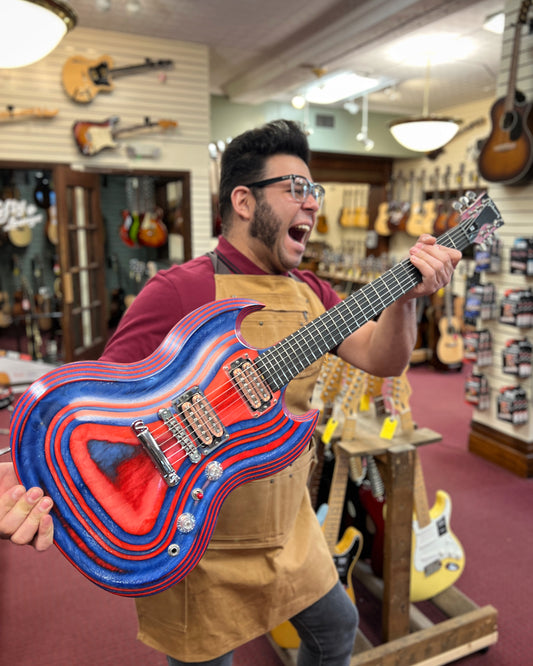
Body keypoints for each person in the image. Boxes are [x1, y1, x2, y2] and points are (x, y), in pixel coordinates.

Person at [0, 119, 461, 666]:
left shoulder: (313, 292)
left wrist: (407, 296)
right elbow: (98, 400)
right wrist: (20, 468)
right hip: (197, 541)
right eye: (296, 189)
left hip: (290, 530)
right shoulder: (180, 289)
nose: (312, 204)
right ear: (243, 201)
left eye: (315, 191)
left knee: (337, 628)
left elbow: (383, 358)